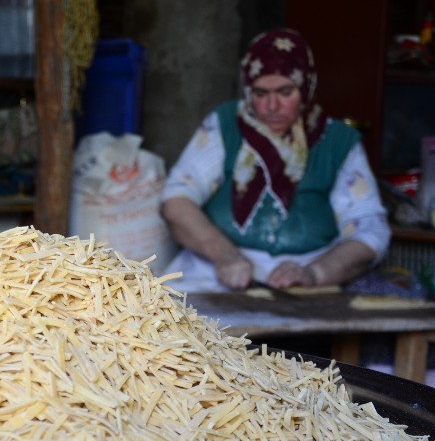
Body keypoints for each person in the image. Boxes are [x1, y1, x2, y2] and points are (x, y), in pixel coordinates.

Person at [160, 28, 390, 293]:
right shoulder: (224, 125)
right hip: (212, 272)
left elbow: (370, 230)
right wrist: (225, 255)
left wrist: (314, 273)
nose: (272, 106)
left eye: (285, 92)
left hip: (303, 283)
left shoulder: (337, 141)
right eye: (260, 93)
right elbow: (176, 201)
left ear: (306, 87)